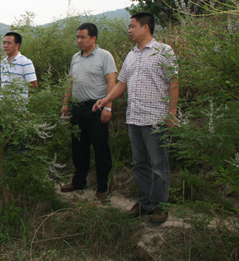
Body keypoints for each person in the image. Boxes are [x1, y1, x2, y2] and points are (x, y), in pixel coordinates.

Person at [94, 13, 178, 224]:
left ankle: (161, 206)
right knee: (140, 164)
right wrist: (106, 100)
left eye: (132, 26)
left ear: (146, 27)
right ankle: (144, 203)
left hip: (156, 118)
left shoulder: (163, 51)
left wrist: (172, 112)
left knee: (159, 164)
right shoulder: (131, 55)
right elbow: (122, 83)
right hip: (135, 118)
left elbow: (173, 82)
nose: (129, 30)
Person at [60, 23, 117, 200]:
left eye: (83, 37)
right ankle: (79, 181)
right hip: (78, 108)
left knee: (100, 149)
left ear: (93, 38)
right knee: (78, 148)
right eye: (77, 37)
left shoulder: (104, 56)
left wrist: (108, 107)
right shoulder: (75, 58)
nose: (79, 40)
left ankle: (102, 186)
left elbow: (111, 82)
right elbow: (70, 81)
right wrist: (66, 103)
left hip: (97, 108)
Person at [0, 32, 37, 154]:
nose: (5, 45)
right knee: (6, 145)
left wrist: (21, 99)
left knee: (21, 146)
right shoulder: (3, 62)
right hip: (3, 110)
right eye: (4, 42)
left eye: (9, 43)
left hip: (18, 111)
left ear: (17, 45)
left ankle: (23, 171)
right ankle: (9, 172)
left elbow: (33, 84)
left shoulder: (25, 62)